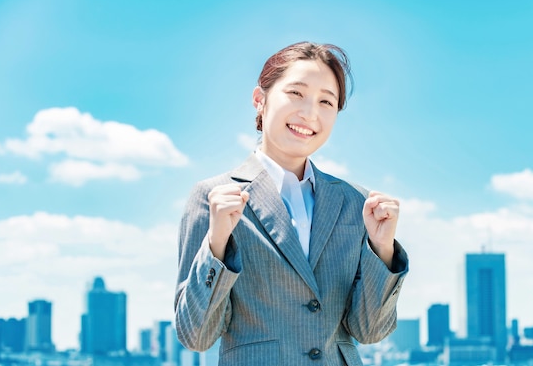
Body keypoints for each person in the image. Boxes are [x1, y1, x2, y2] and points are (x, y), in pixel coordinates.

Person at [174, 41, 409, 366]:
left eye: (326, 101)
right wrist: (216, 247)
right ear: (260, 100)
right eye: (296, 94)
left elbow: (369, 331)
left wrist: (382, 250)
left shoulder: (356, 203)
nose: (310, 113)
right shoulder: (213, 197)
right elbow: (195, 335)